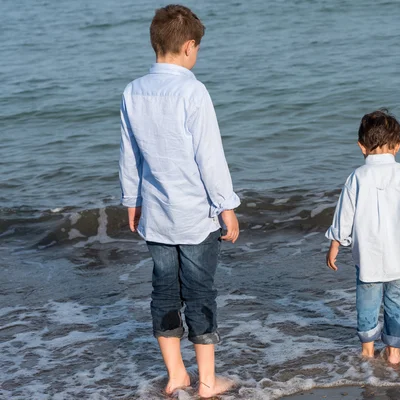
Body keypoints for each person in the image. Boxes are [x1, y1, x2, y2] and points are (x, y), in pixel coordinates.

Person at [118, 5, 239, 397]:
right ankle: (207, 383)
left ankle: (175, 375)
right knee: (201, 293)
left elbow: (129, 155)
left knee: (163, 291)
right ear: (189, 47)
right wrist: (226, 205)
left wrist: (131, 199)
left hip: (156, 215)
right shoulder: (192, 90)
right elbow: (210, 156)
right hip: (195, 217)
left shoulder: (133, 91)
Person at [325, 109, 400, 364]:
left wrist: (335, 244)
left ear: (361, 147)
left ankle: (367, 351)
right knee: (398, 304)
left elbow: (343, 215)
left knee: (367, 303)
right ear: (398, 146)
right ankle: (393, 353)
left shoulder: (356, 177)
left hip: (368, 258)